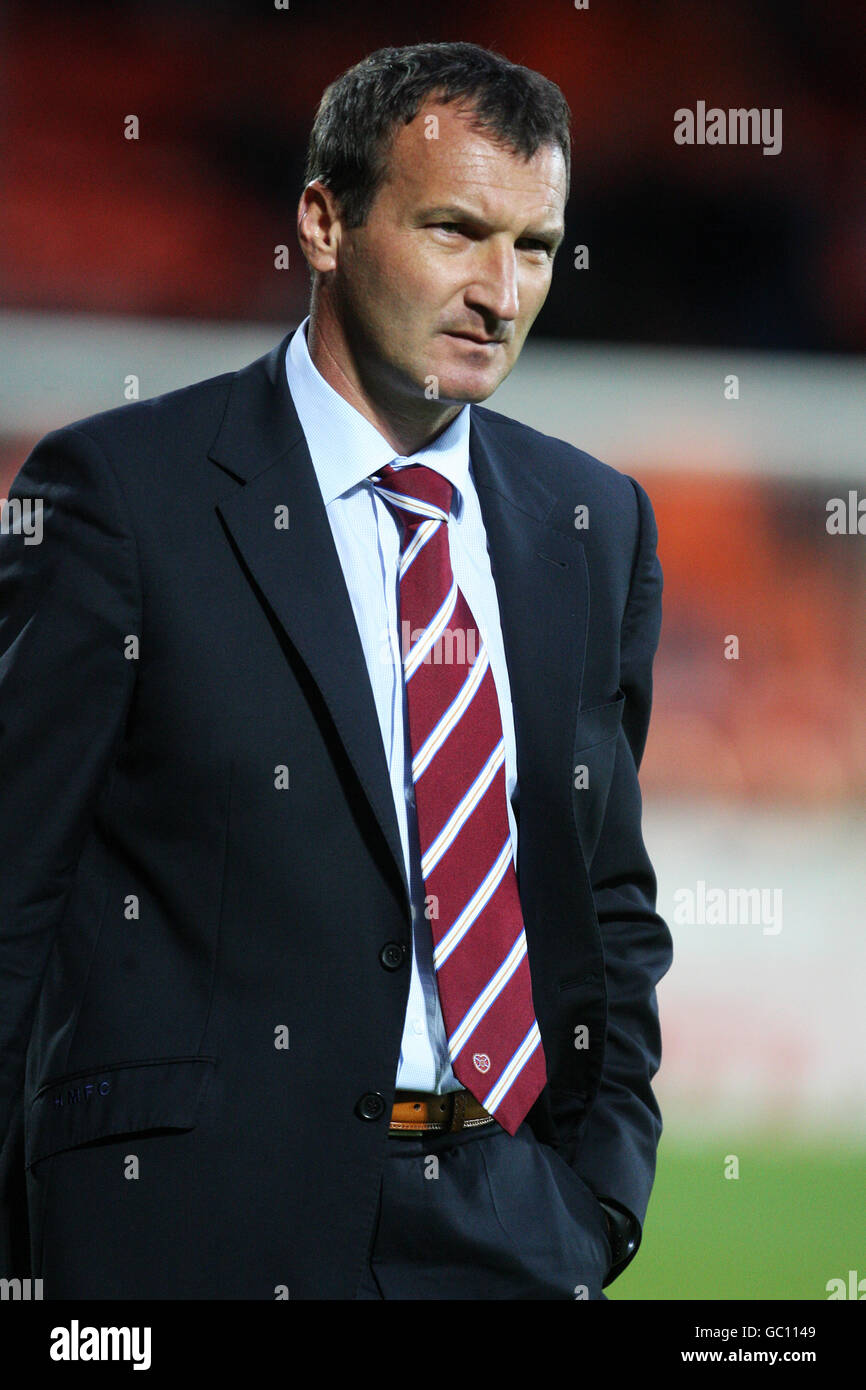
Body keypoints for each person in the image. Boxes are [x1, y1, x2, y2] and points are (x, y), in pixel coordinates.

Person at [0, 41, 672, 1300]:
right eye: (456, 230)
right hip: (187, 1237)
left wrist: (593, 1201)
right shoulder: (119, 495)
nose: (500, 290)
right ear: (322, 220)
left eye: (533, 247)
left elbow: (604, 903)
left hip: (509, 1229)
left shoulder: (592, 522)